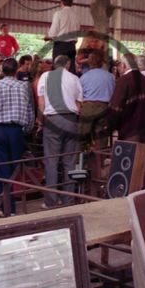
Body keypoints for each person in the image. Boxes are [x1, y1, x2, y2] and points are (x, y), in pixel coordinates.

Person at [0, 58, 34, 214]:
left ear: (1, 71)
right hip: (16, 130)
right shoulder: (24, 87)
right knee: (9, 168)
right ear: (17, 69)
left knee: (2, 168)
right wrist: (27, 129)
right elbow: (30, 110)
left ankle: (8, 208)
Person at [37, 55, 82, 208]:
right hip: (70, 119)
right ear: (68, 64)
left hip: (52, 118)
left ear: (55, 65)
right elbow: (79, 104)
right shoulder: (75, 79)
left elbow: (41, 102)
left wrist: (41, 122)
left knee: (51, 161)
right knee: (69, 162)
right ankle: (69, 200)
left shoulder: (45, 76)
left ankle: (51, 201)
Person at [106, 53, 145, 142]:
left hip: (130, 129)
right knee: (142, 155)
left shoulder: (124, 80)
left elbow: (116, 106)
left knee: (129, 155)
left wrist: (109, 124)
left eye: (119, 64)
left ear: (123, 65)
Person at [79, 49, 115, 151]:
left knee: (82, 136)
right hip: (105, 107)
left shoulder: (84, 77)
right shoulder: (110, 76)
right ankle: (99, 163)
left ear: (89, 62)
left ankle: (79, 162)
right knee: (101, 138)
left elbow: (80, 95)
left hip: (88, 106)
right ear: (102, 61)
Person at [45, 0, 80, 72]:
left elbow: (53, 33)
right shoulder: (76, 16)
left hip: (60, 45)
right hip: (71, 45)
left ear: (62, 2)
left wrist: (47, 37)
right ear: (72, 3)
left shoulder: (58, 14)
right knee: (70, 69)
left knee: (58, 69)